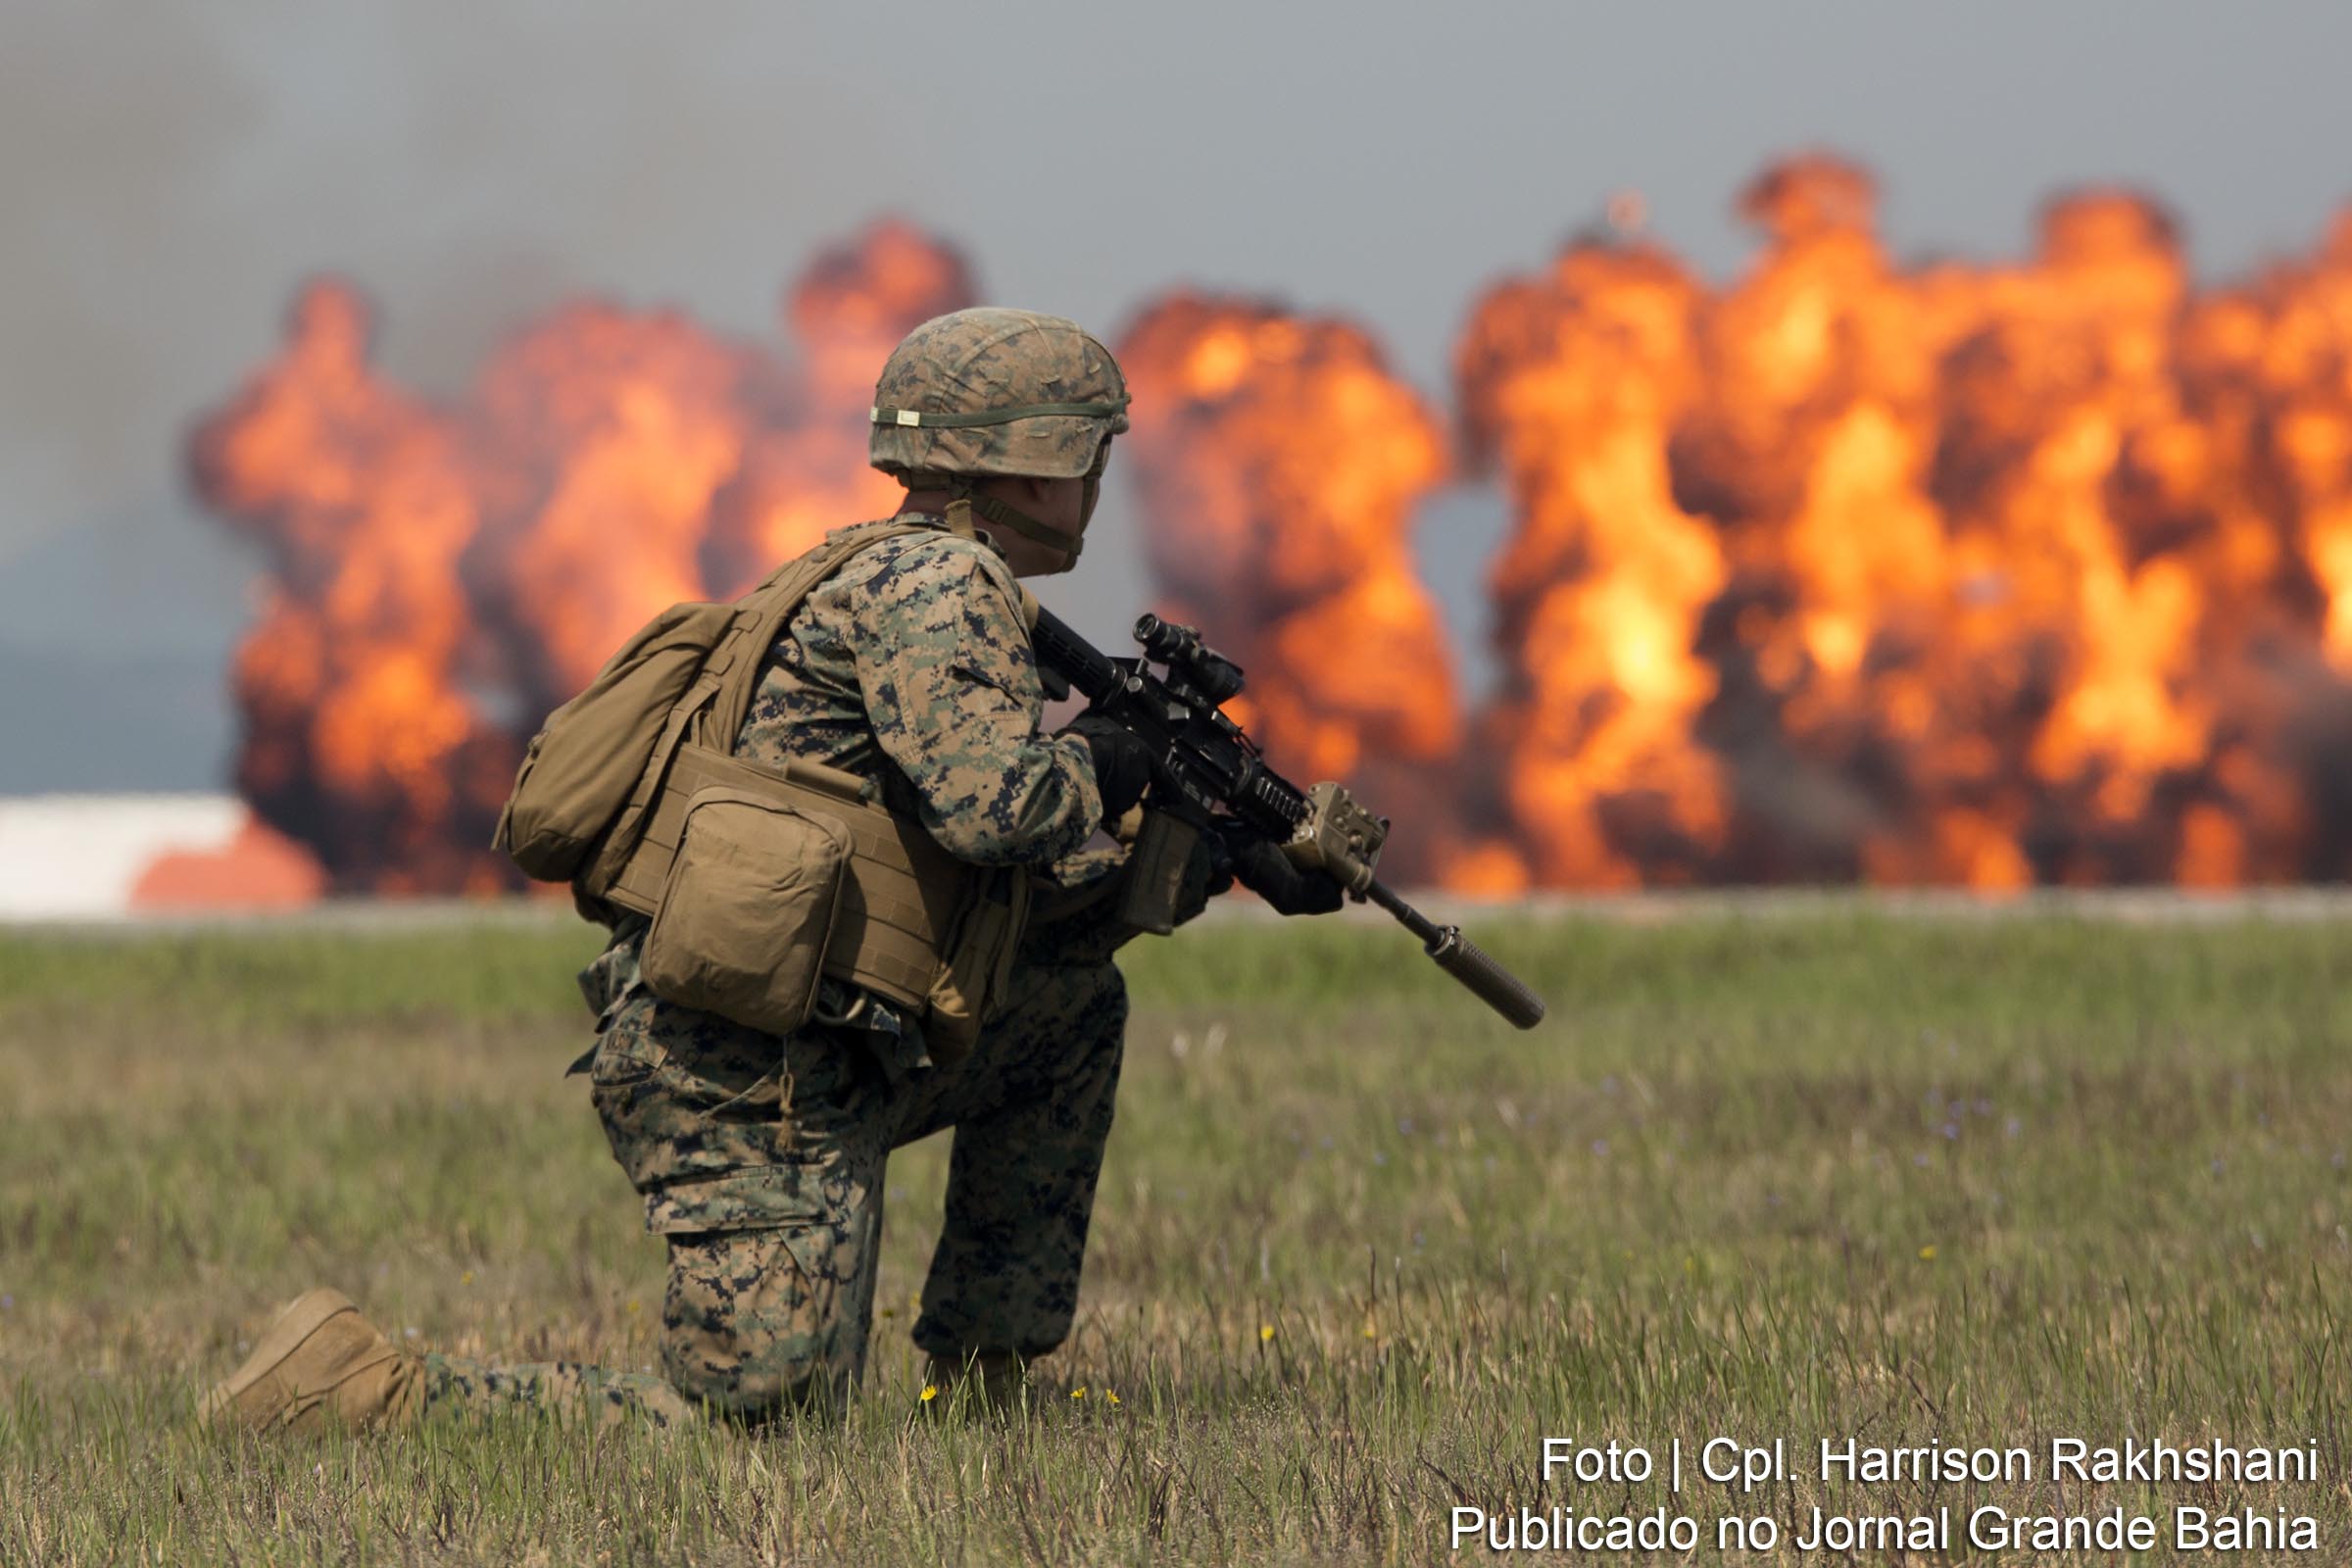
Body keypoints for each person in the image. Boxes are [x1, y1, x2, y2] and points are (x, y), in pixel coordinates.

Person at [204, 307, 1339, 1433]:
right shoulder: (942, 591)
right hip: (744, 1076)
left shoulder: (890, 571)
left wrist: (1214, 858)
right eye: (1090, 453)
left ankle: (986, 1393)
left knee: (1070, 1011)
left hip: (831, 1040)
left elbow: (1005, 910)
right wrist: (1110, 757)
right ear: (1032, 463)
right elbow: (999, 813)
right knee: (759, 1424)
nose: (1098, 484)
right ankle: (355, 1390)